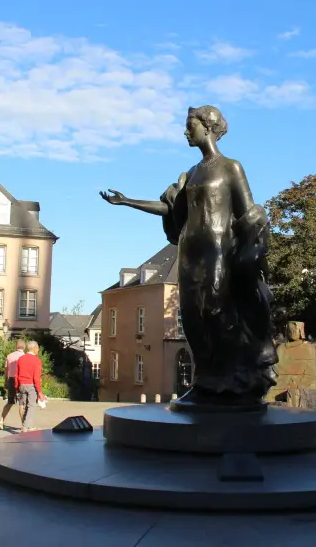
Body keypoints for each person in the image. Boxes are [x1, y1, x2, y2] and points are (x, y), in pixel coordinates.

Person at [100, 105, 276, 409]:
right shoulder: (192, 174)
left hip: (218, 249)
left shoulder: (231, 167)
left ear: (207, 127)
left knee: (218, 313)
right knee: (193, 317)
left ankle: (233, 384)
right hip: (188, 252)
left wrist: (254, 248)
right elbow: (170, 209)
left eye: (189, 125)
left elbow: (249, 212)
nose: (185, 131)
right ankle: (204, 383)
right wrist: (127, 201)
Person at [15, 341, 45, 432]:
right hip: (31, 385)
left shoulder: (21, 359)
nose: (38, 350)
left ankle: (25, 425)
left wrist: (17, 387)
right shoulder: (36, 360)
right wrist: (40, 392)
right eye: (38, 348)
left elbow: (16, 374)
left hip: (22, 384)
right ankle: (25, 427)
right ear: (35, 348)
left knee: (24, 405)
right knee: (31, 406)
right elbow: (36, 378)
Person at [0, 339, 26, 430]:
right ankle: (24, 425)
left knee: (10, 401)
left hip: (11, 379)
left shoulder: (9, 356)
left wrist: (6, 381)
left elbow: (6, 369)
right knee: (22, 403)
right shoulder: (24, 356)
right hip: (21, 380)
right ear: (24, 347)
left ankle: (1, 421)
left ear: (16, 346)